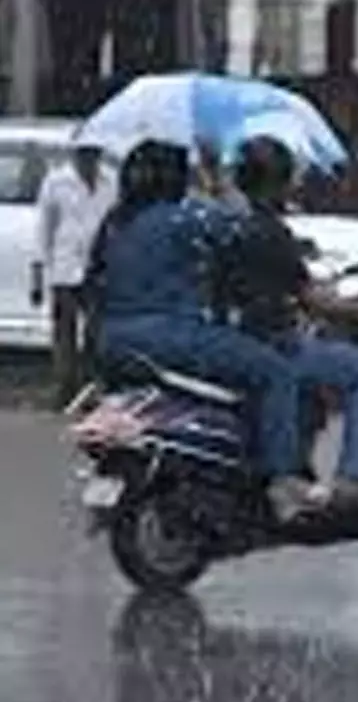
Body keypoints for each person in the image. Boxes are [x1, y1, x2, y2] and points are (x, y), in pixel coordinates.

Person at [84, 139, 318, 523]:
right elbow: (240, 230)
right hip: (171, 336)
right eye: (185, 172)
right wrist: (220, 180)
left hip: (113, 340)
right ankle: (282, 481)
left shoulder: (115, 222)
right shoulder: (181, 217)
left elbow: (92, 285)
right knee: (276, 372)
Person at [224, 135, 358, 511]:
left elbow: (291, 283)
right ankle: (352, 479)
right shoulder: (271, 232)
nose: (294, 185)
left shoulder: (233, 226)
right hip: (275, 344)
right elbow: (317, 302)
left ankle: (303, 459)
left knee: (316, 378)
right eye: (288, 178)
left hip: (239, 341)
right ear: (276, 181)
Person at [34, 137, 117, 409]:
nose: (87, 160)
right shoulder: (56, 181)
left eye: (93, 154)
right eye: (83, 154)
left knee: (96, 332)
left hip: (99, 268)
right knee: (64, 332)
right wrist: (41, 268)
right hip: (65, 267)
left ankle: (91, 388)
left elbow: (115, 222)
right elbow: (44, 227)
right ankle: (64, 387)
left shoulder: (111, 182)